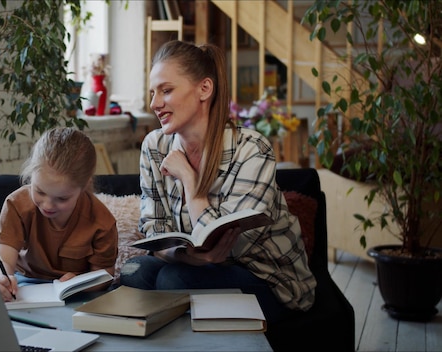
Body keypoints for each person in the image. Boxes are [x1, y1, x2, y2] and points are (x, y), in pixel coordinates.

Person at [119, 40, 317, 324]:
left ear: (204, 89)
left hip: (267, 278)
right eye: (152, 93)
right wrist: (188, 258)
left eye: (166, 90)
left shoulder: (252, 149)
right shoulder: (154, 146)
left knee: (174, 281)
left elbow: (231, 246)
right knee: (134, 272)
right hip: (190, 265)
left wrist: (189, 178)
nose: (154, 104)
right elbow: (153, 229)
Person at [0, 127, 118, 302]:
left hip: (77, 291)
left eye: (62, 198)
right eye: (40, 192)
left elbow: (105, 274)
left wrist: (81, 283)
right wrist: (1, 278)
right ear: (31, 176)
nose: (48, 205)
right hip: (23, 283)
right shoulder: (17, 204)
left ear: (84, 187)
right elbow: (3, 256)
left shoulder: (101, 221)